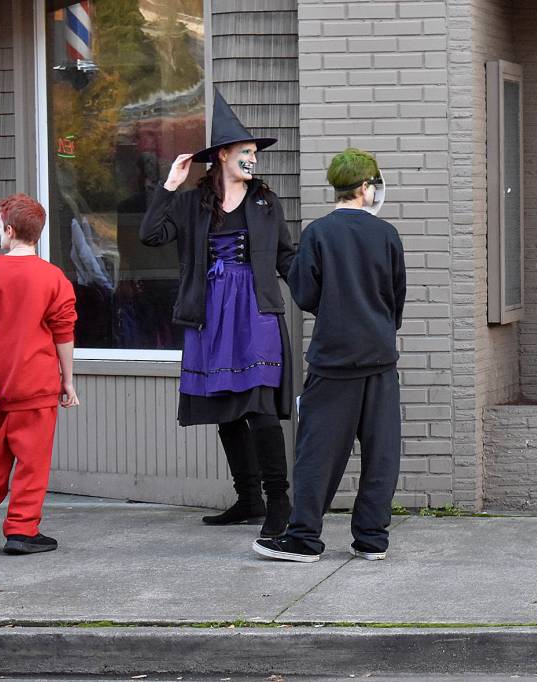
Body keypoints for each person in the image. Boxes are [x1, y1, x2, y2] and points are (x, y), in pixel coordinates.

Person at [140, 91, 294, 538]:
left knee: (260, 405)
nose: (252, 160)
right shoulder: (191, 203)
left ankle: (278, 501)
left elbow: (286, 257)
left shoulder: (266, 203)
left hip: (256, 312)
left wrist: (318, 290)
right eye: (245, 153)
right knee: (227, 407)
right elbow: (151, 234)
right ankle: (248, 498)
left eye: (254, 153)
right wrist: (170, 183)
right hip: (210, 313)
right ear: (223, 156)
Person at [253, 148, 406, 563]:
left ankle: (304, 538)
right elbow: (397, 300)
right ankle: (372, 539)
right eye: (374, 185)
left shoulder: (318, 234)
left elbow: (304, 293)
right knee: (382, 452)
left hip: (333, 360)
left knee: (318, 452)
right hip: (379, 358)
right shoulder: (387, 235)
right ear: (364, 188)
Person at [0, 194, 79, 554]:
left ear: (10, 231)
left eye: (0, 227)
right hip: (36, 389)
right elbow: (64, 332)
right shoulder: (53, 278)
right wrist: (67, 380)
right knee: (32, 461)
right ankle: (22, 531)